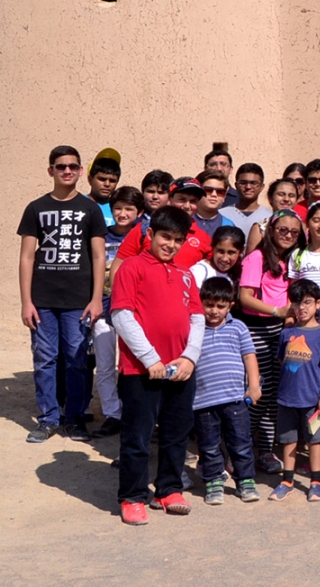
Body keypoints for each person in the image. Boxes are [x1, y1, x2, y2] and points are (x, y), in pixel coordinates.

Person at [110, 205, 206, 525]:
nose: (171, 245)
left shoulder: (185, 273)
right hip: (140, 370)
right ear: (150, 234)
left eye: (178, 240)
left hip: (180, 369)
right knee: (137, 437)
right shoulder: (132, 267)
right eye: (166, 237)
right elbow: (122, 316)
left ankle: (168, 489)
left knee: (176, 434)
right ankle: (133, 496)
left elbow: (197, 318)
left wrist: (190, 356)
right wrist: (150, 358)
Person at [17, 145, 107, 442]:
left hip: (78, 301)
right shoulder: (36, 208)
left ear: (81, 171)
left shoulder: (90, 209)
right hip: (42, 300)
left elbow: (98, 257)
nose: (66, 171)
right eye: (60, 166)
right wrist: (26, 301)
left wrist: (96, 299)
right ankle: (48, 418)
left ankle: (74, 418)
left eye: (72, 166)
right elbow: (27, 257)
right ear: (50, 170)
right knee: (44, 359)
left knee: (77, 358)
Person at [238, 209, 303, 474]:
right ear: (272, 230)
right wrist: (277, 312)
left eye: (294, 232)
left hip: (282, 329)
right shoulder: (257, 257)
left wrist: (287, 319)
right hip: (258, 328)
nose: (288, 235)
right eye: (283, 230)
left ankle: (264, 450)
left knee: (275, 394)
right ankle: (240, 448)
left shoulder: (293, 259)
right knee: (257, 392)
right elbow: (245, 297)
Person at [191, 276, 261, 505]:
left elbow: (249, 356)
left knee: (240, 442)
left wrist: (253, 386)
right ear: (200, 302)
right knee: (209, 446)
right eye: (209, 304)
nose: (213, 311)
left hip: (235, 399)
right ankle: (213, 482)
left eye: (220, 306)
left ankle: (245, 481)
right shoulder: (193, 328)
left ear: (230, 306)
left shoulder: (238, 327)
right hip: (203, 401)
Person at [270, 279, 320, 503]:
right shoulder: (286, 333)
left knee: (314, 440)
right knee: (289, 440)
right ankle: (287, 481)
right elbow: (282, 360)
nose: (302, 308)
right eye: (297, 303)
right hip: (287, 398)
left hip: (313, 400)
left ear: (318, 304)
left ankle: (316, 481)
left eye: (307, 302)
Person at [90, 185, 144, 439]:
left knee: (132, 364)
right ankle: (113, 414)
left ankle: (134, 412)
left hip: (134, 310)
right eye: (118, 208)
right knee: (104, 364)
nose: (123, 213)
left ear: (139, 211)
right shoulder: (100, 236)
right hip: (103, 306)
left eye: (129, 209)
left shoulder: (145, 237)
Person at [110, 178, 212, 277]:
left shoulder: (204, 238)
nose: (187, 206)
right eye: (181, 199)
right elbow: (119, 266)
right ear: (170, 199)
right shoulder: (144, 229)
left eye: (193, 201)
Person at [246, 178, 299, 254]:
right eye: (281, 194)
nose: (286, 199)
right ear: (270, 198)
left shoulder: (302, 227)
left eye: (291, 195)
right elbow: (250, 261)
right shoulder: (260, 229)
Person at [222, 163, 270, 240]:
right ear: (236, 185)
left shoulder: (269, 216)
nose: (248, 187)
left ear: (262, 187)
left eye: (254, 183)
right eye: (243, 183)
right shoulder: (222, 215)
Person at [190, 225, 245, 290]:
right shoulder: (199, 271)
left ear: (241, 251)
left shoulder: (240, 273)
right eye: (220, 251)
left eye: (231, 253)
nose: (225, 258)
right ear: (212, 248)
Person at [192, 170, 235, 237]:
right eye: (208, 190)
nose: (214, 194)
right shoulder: (184, 221)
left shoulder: (228, 226)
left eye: (220, 192)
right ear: (197, 192)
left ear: (224, 197)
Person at [87, 149, 121, 226]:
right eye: (102, 179)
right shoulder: (78, 204)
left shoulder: (120, 210)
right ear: (90, 179)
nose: (107, 184)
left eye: (112, 181)